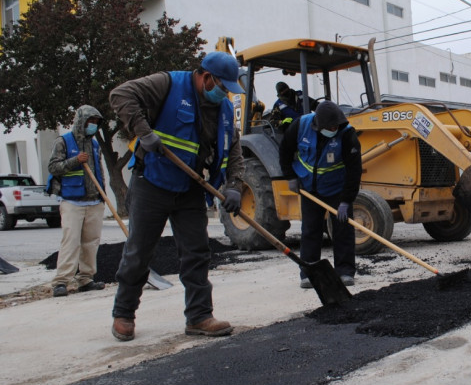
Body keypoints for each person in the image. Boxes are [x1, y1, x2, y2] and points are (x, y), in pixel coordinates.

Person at [108, 52, 245, 341]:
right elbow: (120, 95)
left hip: (191, 187)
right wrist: (144, 133)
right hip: (152, 182)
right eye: (223, 87)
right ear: (206, 77)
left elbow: (233, 148)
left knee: (197, 253)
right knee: (139, 251)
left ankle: (199, 316)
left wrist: (233, 185)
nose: (225, 94)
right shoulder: (167, 84)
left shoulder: (222, 110)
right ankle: (123, 314)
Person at [279, 101, 362, 288]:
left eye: (336, 126)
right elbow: (284, 150)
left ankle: (345, 272)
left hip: (337, 189)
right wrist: (290, 177)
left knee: (343, 230)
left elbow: (354, 170)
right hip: (309, 188)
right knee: (310, 230)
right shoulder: (300, 126)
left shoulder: (347, 134)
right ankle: (309, 273)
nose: (334, 129)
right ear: (319, 125)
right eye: (330, 127)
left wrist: (346, 201)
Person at [46, 105, 107, 297]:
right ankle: (61, 281)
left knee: (91, 242)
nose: (94, 126)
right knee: (71, 242)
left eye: (96, 123)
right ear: (81, 121)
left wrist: (102, 195)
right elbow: (53, 167)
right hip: (72, 201)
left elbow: (100, 171)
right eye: (91, 122)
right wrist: (75, 160)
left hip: (94, 201)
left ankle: (86, 279)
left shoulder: (95, 145)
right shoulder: (63, 142)